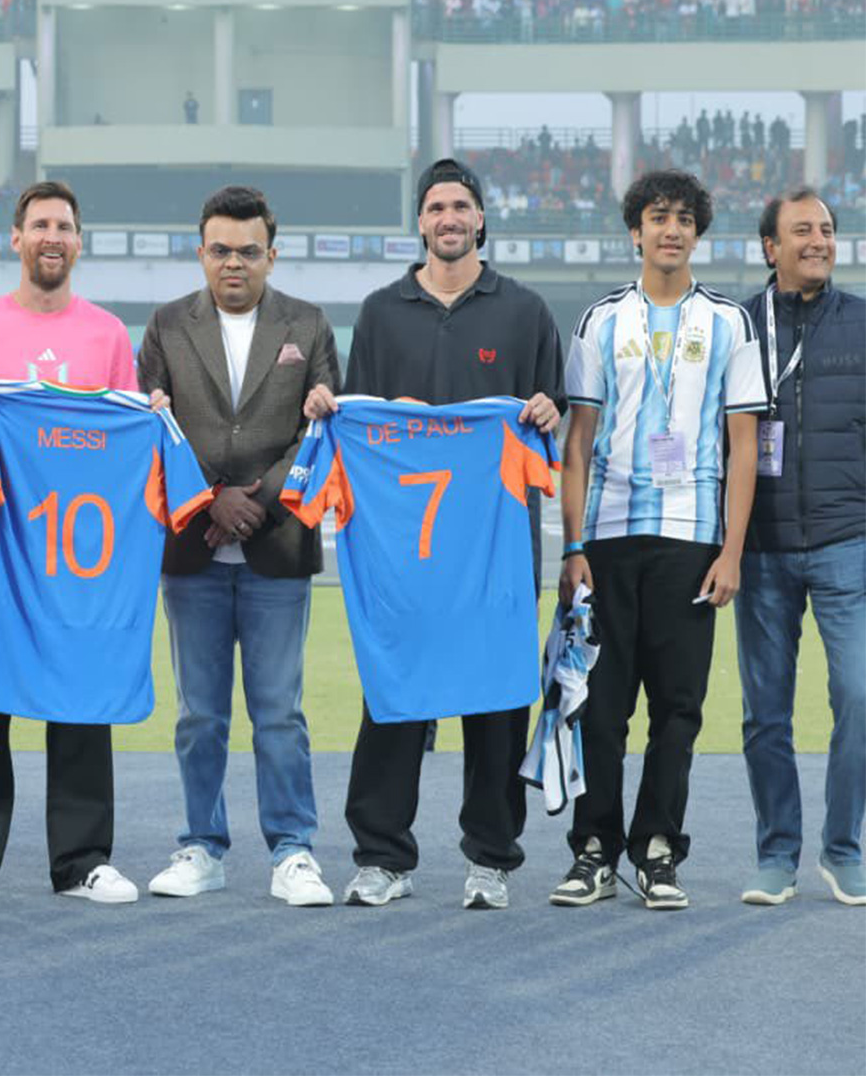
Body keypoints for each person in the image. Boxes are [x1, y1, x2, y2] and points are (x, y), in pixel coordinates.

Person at [303, 157, 565, 910]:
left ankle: (490, 859)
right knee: (394, 695)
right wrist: (330, 412)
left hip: (494, 551)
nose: (449, 219)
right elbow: (361, 422)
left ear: (481, 219)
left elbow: (553, 432)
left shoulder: (524, 311)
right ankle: (383, 856)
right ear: (419, 222)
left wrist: (548, 418)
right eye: (435, 208)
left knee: (494, 703)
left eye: (461, 206)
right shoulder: (383, 311)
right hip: (406, 554)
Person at [0, 180, 142, 907]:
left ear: (79, 243)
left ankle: (82, 859)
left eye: (65, 226)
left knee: (80, 700)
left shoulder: (110, 337)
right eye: (40, 224)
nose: (53, 236)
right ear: (15, 239)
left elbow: (124, 452)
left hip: (80, 558)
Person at [555, 170, 762, 911]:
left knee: (679, 706)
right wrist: (572, 547)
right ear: (635, 230)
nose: (669, 229)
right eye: (656, 217)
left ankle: (657, 849)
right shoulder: (599, 321)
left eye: (682, 218)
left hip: (692, 539)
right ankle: (593, 849)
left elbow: (742, 447)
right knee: (601, 707)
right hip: (608, 535)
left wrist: (731, 550)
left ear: (698, 231)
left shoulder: (734, 323)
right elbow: (576, 445)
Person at [138, 186, 340, 906]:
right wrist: (209, 500)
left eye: (248, 251)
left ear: (270, 255)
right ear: (201, 253)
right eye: (220, 249)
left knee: (279, 711)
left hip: (277, 547)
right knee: (199, 714)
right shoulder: (165, 327)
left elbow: (321, 430)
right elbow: (150, 432)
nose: (233, 263)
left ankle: (293, 851)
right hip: (192, 551)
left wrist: (255, 499)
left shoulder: (308, 326)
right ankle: (201, 845)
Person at [735, 188, 865, 907]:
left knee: (860, 695)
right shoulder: (736, 327)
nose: (818, 240)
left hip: (849, 543)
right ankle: (777, 853)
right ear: (769, 247)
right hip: (760, 547)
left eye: (825, 230)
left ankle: (842, 848)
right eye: (802, 230)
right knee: (765, 712)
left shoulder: (863, 323)